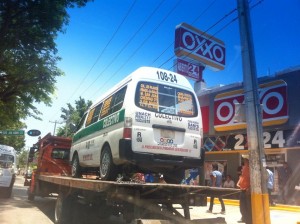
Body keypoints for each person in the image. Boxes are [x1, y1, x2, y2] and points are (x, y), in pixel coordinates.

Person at [237, 154, 252, 224]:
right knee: (242, 208)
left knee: (248, 208)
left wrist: (249, 188)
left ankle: (249, 222)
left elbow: (253, 179)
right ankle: (245, 220)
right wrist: (239, 183)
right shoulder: (245, 168)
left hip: (247, 191)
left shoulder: (251, 168)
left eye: (245, 159)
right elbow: (242, 177)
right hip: (242, 190)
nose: (244, 161)